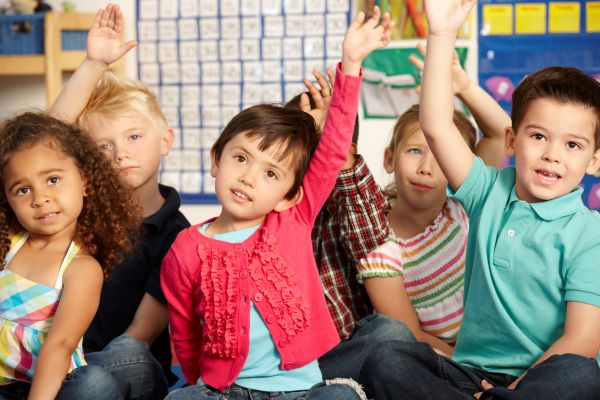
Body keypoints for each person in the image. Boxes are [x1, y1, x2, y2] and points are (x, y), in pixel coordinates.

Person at [360, 0, 600, 398]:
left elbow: (583, 339)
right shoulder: (487, 191)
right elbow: (436, 126)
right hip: (470, 373)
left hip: (541, 379)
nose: (552, 154)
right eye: (538, 136)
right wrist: (441, 34)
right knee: (384, 360)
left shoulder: (589, 233)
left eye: (572, 144)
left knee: (581, 374)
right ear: (512, 139)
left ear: (594, 160)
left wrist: (510, 393)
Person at [160, 7, 392, 399]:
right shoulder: (185, 249)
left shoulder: (294, 221)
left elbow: (333, 151)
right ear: (216, 159)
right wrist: (201, 385)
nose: (249, 177)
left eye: (271, 174)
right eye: (241, 159)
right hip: (224, 391)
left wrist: (350, 64)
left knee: (343, 397)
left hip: (300, 392)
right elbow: (184, 333)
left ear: (289, 196)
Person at [49, 4, 190, 399]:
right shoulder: (79, 210)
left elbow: (139, 337)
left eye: (133, 137)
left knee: (115, 362)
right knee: (88, 381)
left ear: (165, 140)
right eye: (104, 146)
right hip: (69, 360)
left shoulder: (179, 235)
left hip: (132, 367)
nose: (121, 154)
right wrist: (94, 64)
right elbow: (44, 145)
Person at [357, 43, 509, 356]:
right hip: (444, 357)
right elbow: (408, 334)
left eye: (441, 156)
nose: (426, 168)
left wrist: (463, 87)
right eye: (415, 151)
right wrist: (467, 367)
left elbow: (499, 134)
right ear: (389, 159)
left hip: (500, 345)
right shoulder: (379, 244)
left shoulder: (464, 205)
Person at [0, 112, 140, 400]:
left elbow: (60, 345)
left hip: (48, 388)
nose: (40, 198)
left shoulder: (82, 269)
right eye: (23, 190)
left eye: (52, 180)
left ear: (85, 181)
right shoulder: (8, 243)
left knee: (94, 385)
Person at [284, 71, 412, 381]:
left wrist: (334, 141)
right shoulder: (270, 206)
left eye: (319, 149)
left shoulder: (346, 204)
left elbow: (371, 242)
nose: (308, 163)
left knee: (392, 332)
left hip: (341, 357)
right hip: (281, 362)